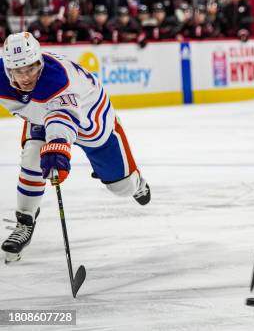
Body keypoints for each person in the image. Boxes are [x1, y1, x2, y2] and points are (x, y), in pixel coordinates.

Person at [0, 32, 151, 263]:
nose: (26, 76)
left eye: (31, 68)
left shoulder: (57, 80)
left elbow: (62, 120)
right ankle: (25, 222)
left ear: (39, 62)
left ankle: (137, 184)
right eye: (19, 71)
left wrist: (57, 149)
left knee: (121, 187)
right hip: (41, 117)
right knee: (32, 157)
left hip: (91, 121)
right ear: (8, 69)